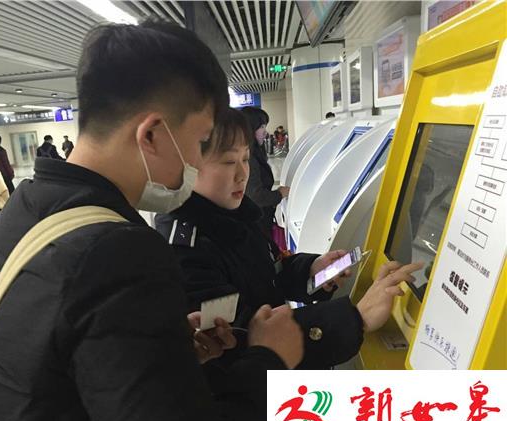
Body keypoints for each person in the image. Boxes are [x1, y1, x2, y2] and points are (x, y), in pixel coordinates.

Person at [0, 20, 303, 421]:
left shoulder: (30, 205)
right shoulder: (118, 251)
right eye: (200, 140)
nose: (197, 160)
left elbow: (54, 366)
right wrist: (269, 358)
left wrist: (165, 352)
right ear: (152, 135)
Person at [155, 107, 422, 371]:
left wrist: (312, 270)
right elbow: (240, 331)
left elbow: (269, 273)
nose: (242, 174)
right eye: (228, 162)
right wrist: (355, 319)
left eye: (245, 159)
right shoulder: (183, 250)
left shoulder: (235, 215)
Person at [241, 106, 289, 236]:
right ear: (250, 129)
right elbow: (256, 196)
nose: (265, 132)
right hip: (255, 223)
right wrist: (279, 194)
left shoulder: (252, 153)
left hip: (258, 219)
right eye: (261, 127)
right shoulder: (248, 158)